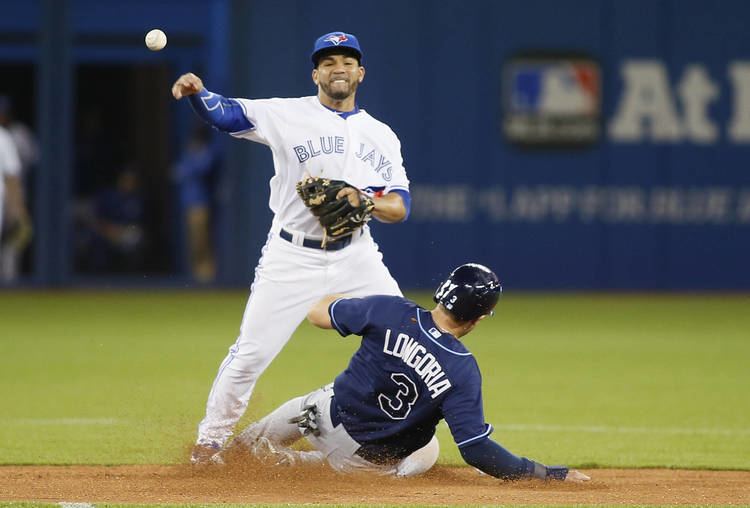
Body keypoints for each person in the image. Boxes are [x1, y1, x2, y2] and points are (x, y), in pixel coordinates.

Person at [171, 31, 416, 464]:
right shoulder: (286, 114)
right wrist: (198, 93)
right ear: (315, 73)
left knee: (408, 340)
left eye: (346, 60)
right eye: (328, 61)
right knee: (250, 353)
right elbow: (227, 114)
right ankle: (210, 443)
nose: (337, 67)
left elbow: (400, 206)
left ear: (360, 72)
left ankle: (399, 432)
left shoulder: (382, 135)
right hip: (292, 254)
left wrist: (369, 202)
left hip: (357, 254)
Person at [223, 263, 590, 482]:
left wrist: (336, 281)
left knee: (271, 430)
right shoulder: (462, 368)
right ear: (478, 319)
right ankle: (295, 466)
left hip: (317, 415)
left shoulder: (390, 310)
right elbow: (477, 450)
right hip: (360, 463)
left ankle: (223, 457)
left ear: (442, 294)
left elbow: (318, 314)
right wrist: (547, 474)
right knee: (427, 447)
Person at [173, 125, 220, 282]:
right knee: (193, 242)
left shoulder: (206, 152)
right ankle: (197, 276)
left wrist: (193, 157)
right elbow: (177, 172)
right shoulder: (190, 153)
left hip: (201, 203)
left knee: (202, 240)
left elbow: (202, 169)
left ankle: (207, 276)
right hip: (189, 202)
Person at [0, 121, 31, 283]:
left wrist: (17, 211)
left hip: (2, 203)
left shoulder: (3, 137)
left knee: (8, 253)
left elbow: (12, 178)